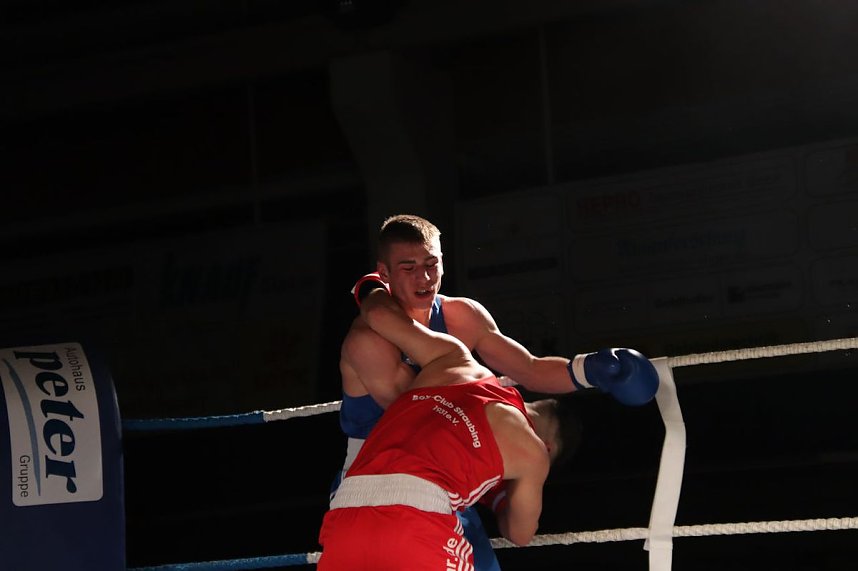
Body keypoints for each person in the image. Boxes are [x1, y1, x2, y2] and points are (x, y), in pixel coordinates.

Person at [335, 214, 659, 570]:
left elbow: (529, 369)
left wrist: (591, 370)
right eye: (408, 267)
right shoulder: (370, 340)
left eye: (431, 264)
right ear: (385, 272)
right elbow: (421, 411)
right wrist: (508, 469)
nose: (424, 278)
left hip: (445, 470)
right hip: (376, 468)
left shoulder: (461, 317)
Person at [318, 286, 582, 570]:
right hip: (418, 517)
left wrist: (375, 288)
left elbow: (378, 314)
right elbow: (520, 534)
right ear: (549, 446)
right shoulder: (533, 454)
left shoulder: (455, 357)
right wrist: (502, 498)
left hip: (347, 504)